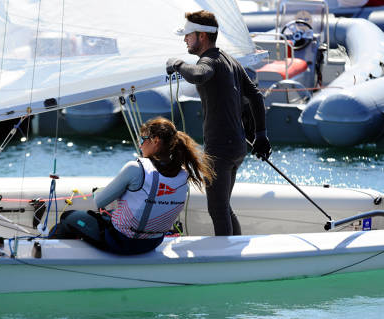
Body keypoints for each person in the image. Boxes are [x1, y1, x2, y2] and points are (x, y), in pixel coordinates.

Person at [166, 10, 271, 236]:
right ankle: (235, 250)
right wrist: (261, 135)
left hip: (220, 150)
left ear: (202, 36)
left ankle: (229, 258)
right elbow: (256, 96)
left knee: (217, 208)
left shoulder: (210, 60)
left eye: (188, 34)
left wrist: (176, 63)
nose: (184, 39)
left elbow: (198, 75)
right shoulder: (229, 59)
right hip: (237, 147)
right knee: (224, 207)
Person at [51, 117, 215, 255]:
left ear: (155, 141)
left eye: (142, 140)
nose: (140, 144)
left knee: (69, 217)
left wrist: (99, 192)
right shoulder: (183, 175)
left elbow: (99, 202)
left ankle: (45, 254)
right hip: (152, 243)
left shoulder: (135, 168)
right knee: (109, 216)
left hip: (121, 242)